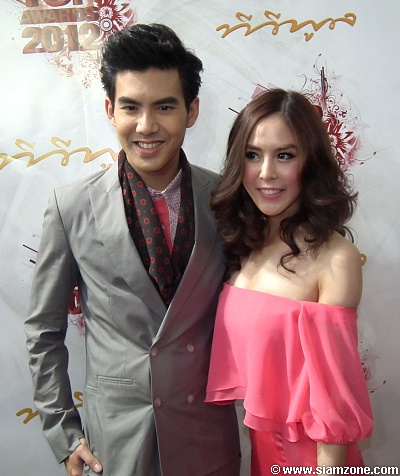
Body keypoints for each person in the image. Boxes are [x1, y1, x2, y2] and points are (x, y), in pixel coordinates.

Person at [25, 24, 240, 476]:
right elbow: (44, 331)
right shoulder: (71, 206)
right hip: (117, 445)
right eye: (130, 107)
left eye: (164, 106)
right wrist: (64, 433)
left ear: (192, 110)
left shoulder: (226, 200)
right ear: (110, 109)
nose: (146, 126)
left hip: (206, 438)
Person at [205, 89, 373, 474]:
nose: (266, 173)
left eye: (284, 155)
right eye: (252, 155)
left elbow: (334, 404)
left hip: (314, 461)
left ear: (310, 162)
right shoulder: (244, 246)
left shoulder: (335, 259)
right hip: (264, 457)